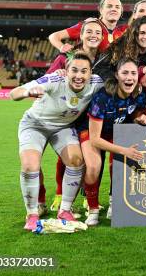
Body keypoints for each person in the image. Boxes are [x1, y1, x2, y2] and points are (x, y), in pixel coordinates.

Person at [10, 52, 104, 230]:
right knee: (30, 166)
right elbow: (14, 93)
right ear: (66, 71)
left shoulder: (96, 82)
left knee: (76, 160)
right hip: (34, 125)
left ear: (90, 73)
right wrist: (28, 91)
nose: (79, 75)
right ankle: (32, 214)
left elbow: (118, 86)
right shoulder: (54, 79)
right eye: (74, 70)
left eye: (84, 71)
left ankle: (65, 210)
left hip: (63, 127)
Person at [43, 18, 104, 212]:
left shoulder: (105, 58)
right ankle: (60, 194)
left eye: (97, 33)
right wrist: (60, 75)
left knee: (93, 157)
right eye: (89, 32)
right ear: (81, 35)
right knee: (67, 156)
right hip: (67, 116)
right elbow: (46, 82)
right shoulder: (66, 56)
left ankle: (88, 196)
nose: (93, 36)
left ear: (102, 37)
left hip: (90, 118)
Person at [79, 58, 146, 226]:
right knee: (94, 166)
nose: (129, 77)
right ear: (117, 75)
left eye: (133, 73)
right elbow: (95, 140)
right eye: (124, 73)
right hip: (91, 133)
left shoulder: (138, 94)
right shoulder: (103, 96)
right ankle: (93, 209)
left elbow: (134, 111)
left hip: (114, 132)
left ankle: (114, 204)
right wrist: (123, 150)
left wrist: (140, 117)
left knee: (116, 164)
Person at [48, 0, 126, 53]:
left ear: (121, 11)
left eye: (117, 7)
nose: (114, 9)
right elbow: (54, 36)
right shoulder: (88, 26)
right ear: (100, 10)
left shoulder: (122, 31)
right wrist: (62, 47)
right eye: (109, 6)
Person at [95, 16, 146, 81]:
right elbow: (98, 68)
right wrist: (117, 80)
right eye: (142, 33)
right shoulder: (118, 46)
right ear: (134, 34)